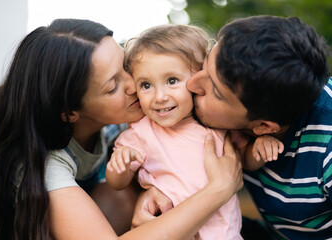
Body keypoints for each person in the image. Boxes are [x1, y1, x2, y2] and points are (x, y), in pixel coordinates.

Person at [0, 18, 243, 240]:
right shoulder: (42, 165)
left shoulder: (132, 121)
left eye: (126, 66)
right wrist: (219, 189)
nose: (133, 84)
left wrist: (150, 193)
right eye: (113, 86)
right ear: (70, 113)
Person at [134, 15, 331, 240]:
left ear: (263, 127)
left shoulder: (327, 149)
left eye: (215, 92)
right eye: (205, 64)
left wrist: (221, 187)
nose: (192, 83)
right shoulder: (182, 106)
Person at [105, 24, 284, 239]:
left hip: (227, 233)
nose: (159, 96)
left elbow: (243, 161)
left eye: (172, 81)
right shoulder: (142, 132)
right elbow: (117, 184)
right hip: (176, 231)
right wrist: (120, 167)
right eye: (146, 85)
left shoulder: (216, 123)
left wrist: (260, 149)